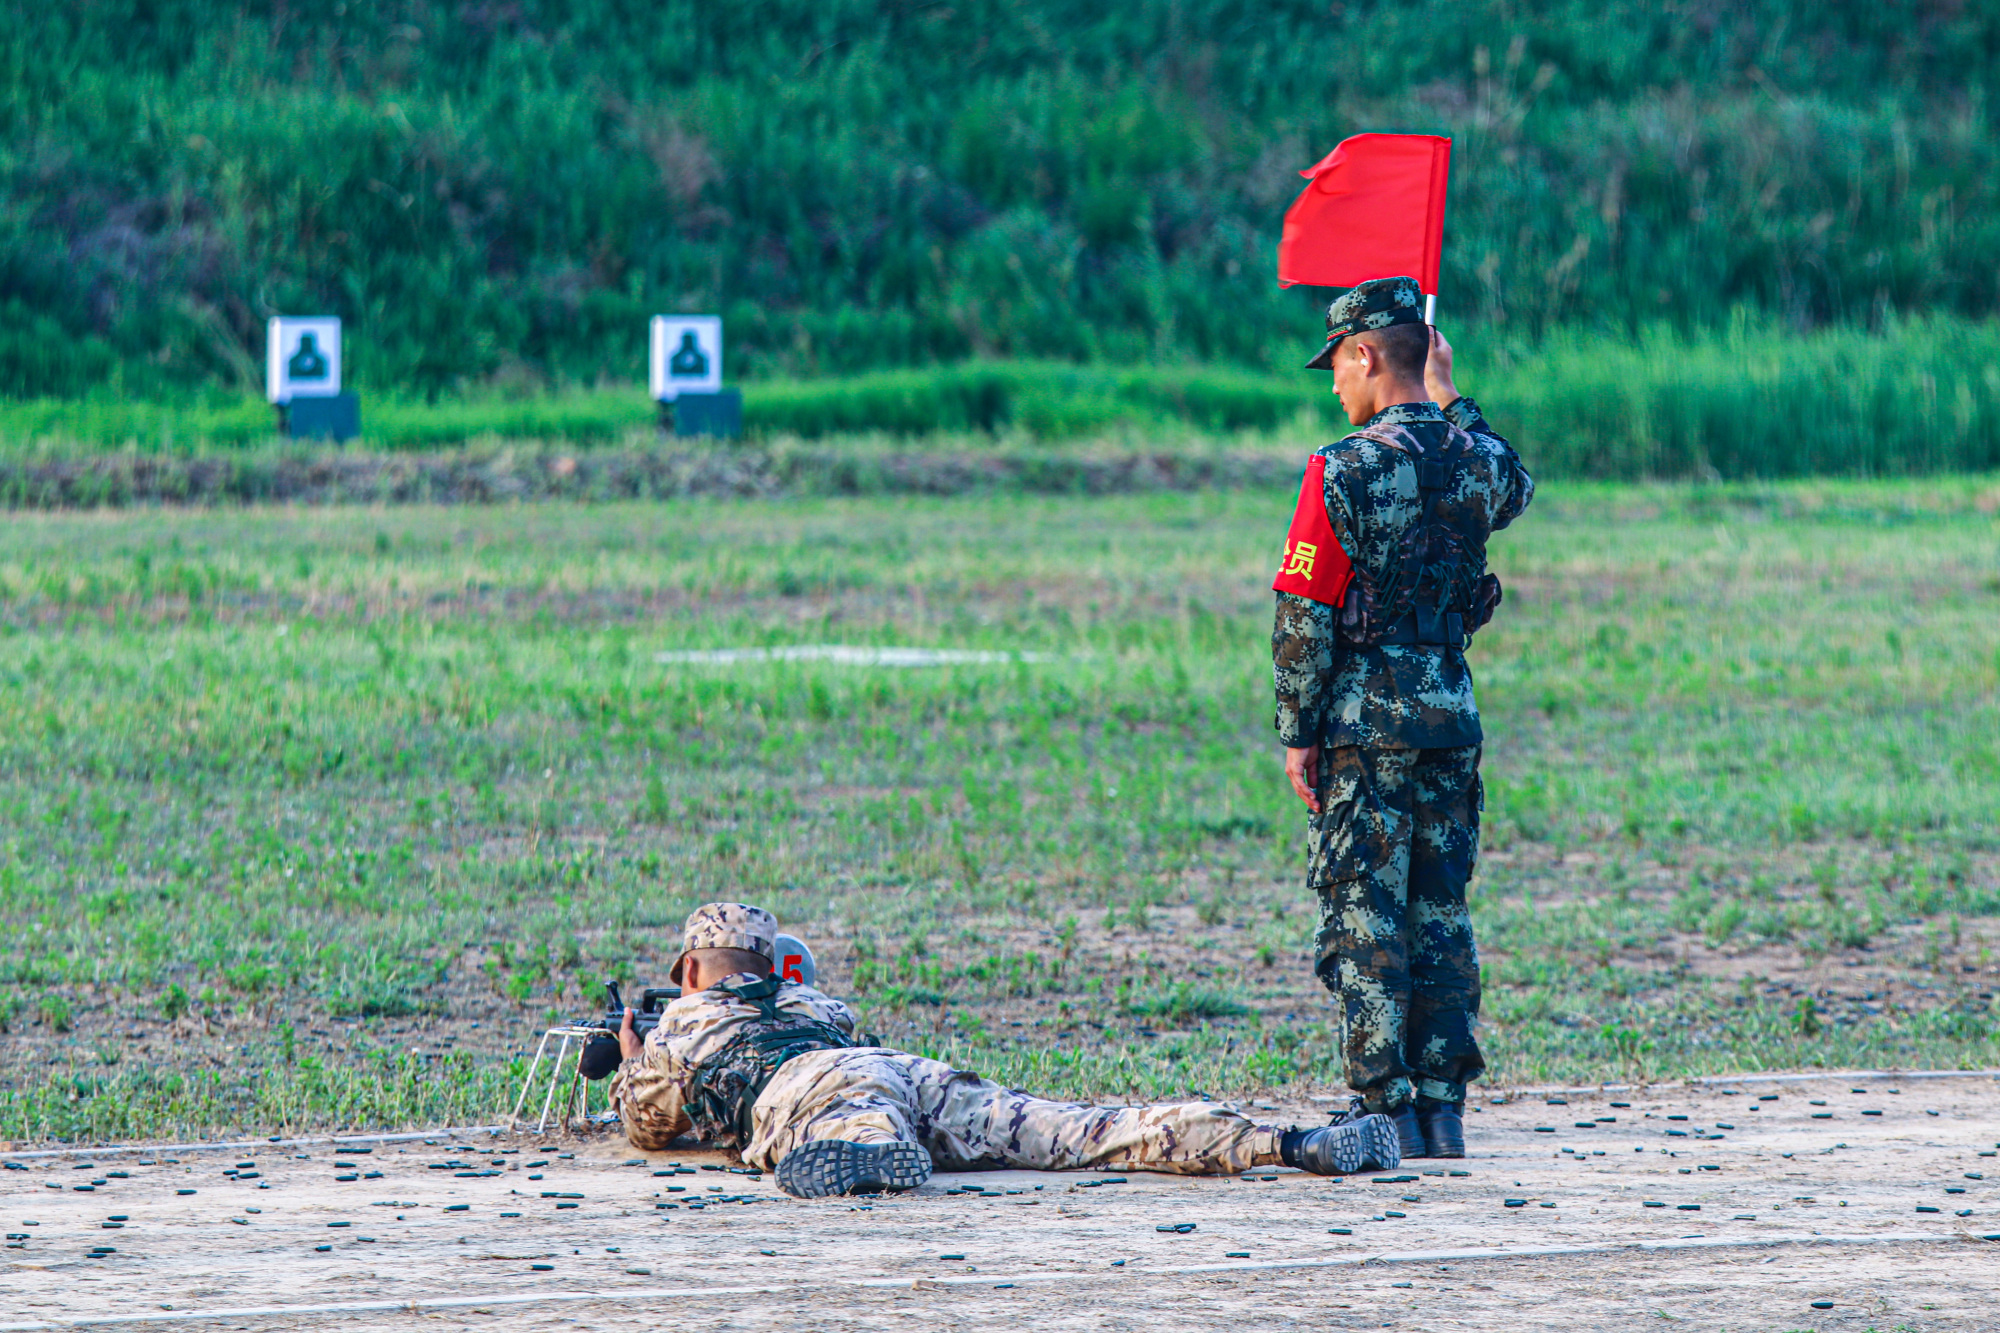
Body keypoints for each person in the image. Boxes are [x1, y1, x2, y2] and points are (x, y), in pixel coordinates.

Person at [611, 902, 1403, 1197]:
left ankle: (874, 1155)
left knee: (859, 1122)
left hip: (816, 1087)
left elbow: (650, 1127)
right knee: (1079, 1128)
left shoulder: (685, 1029)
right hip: (905, 1067)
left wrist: (628, 1055)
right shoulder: (814, 1000)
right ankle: (1291, 1140)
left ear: (688, 969)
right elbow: (830, 1032)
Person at [1271, 276, 1534, 1160]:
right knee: (1440, 910)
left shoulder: (1342, 468)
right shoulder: (1474, 460)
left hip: (1363, 727)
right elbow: (1515, 480)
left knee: (1366, 912)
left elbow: (1303, 611)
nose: (1334, 387)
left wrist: (1296, 731)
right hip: (1451, 722)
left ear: (1367, 354)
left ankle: (1381, 1104)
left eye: (1338, 364)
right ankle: (1441, 1110)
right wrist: (1454, 392)